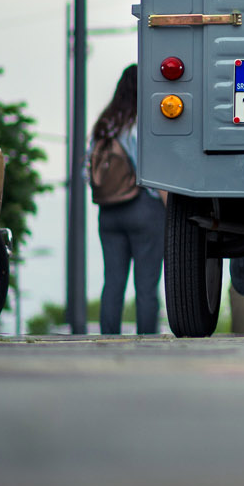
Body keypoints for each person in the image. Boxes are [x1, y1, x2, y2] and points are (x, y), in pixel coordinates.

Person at [89, 66, 165, 336]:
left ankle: (108, 339)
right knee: (146, 286)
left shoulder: (104, 125)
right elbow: (154, 172)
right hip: (143, 207)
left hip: (108, 212)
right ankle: (147, 341)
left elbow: (89, 169)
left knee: (112, 282)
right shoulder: (141, 123)